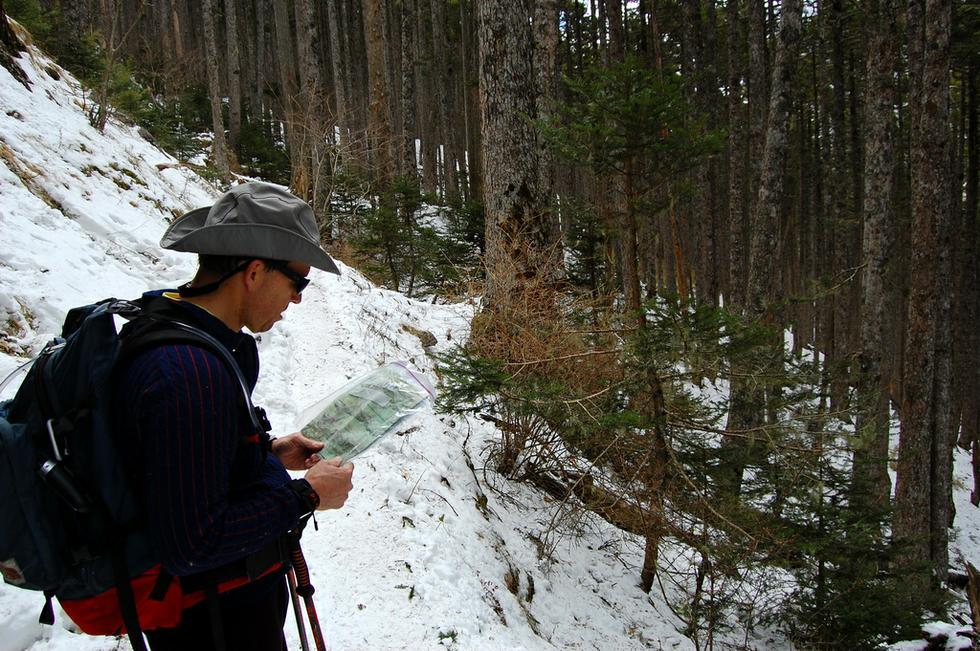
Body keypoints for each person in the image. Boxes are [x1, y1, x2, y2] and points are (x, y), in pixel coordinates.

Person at [113, 182, 354, 650]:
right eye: (298, 282)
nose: (299, 299)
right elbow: (192, 545)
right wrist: (306, 495)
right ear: (255, 272)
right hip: (212, 628)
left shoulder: (182, 332)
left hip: (221, 616)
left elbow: (178, 460)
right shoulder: (187, 370)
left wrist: (266, 450)